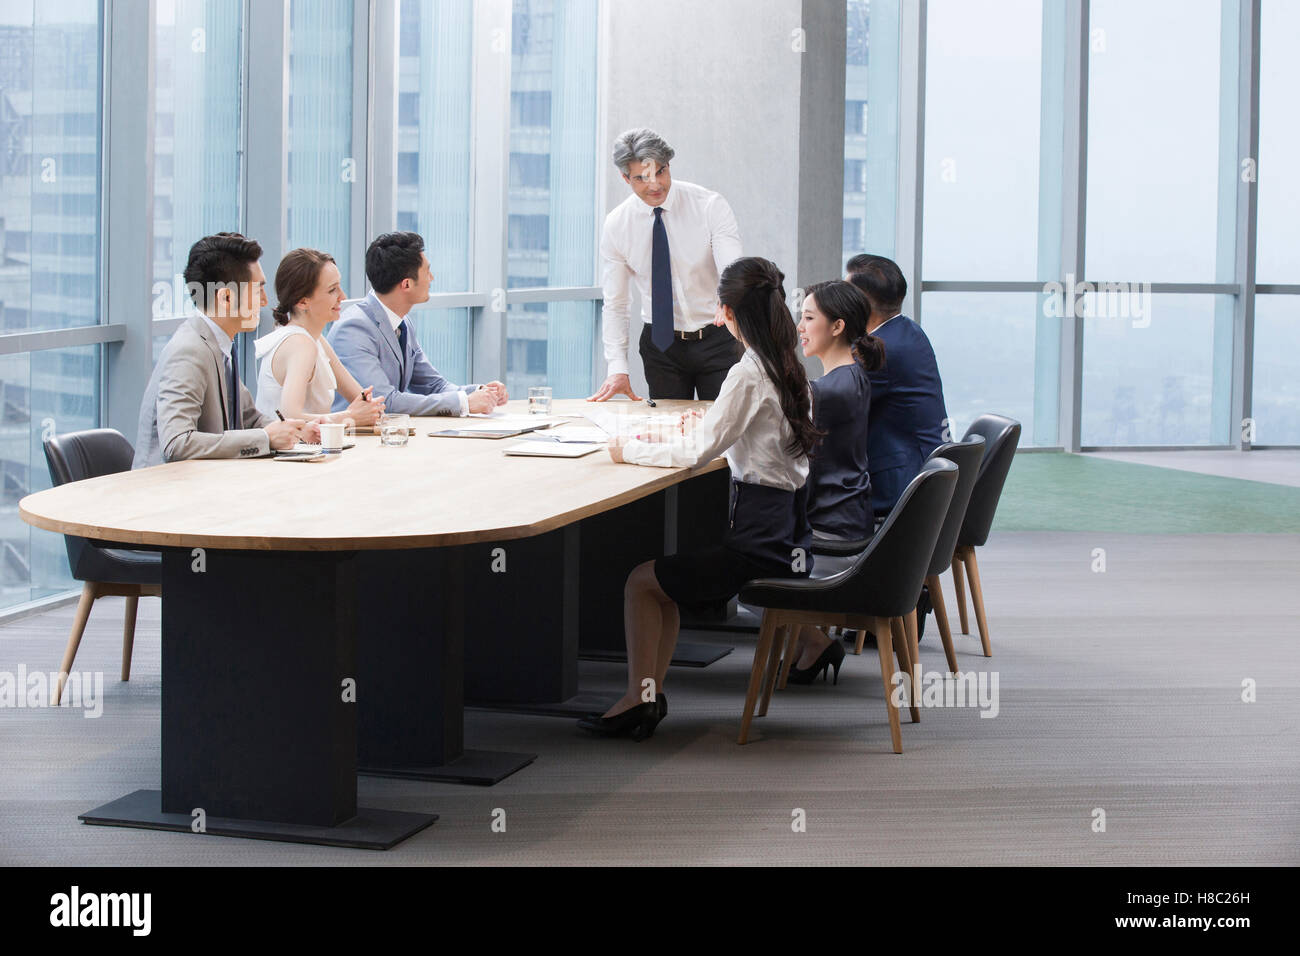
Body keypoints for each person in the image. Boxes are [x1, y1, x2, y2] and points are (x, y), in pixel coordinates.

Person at [577, 257, 820, 741]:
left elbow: (694, 455)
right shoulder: (787, 363)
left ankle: (639, 699)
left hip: (759, 544)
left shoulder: (748, 372)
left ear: (730, 313)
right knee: (658, 584)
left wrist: (629, 449)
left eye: (718, 308)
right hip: (790, 532)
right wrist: (714, 433)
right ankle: (643, 696)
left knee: (641, 583)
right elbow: (757, 446)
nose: (713, 317)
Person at [134, 232, 318, 469]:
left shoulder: (218, 344)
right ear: (227, 298)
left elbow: (250, 418)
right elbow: (176, 443)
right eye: (257, 290)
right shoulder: (190, 350)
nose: (264, 301)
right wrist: (265, 439)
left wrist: (297, 430)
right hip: (167, 493)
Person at [589, 128, 743, 403]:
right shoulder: (617, 225)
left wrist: (729, 299)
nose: (655, 185)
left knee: (726, 435)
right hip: (662, 347)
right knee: (668, 433)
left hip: (718, 337)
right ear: (625, 178)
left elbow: (733, 271)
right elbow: (616, 303)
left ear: (668, 166)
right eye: (641, 178)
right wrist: (617, 368)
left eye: (660, 172)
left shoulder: (708, 206)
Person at [784, 279, 886, 682]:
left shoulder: (825, 392)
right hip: (849, 517)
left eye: (809, 318)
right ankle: (806, 643)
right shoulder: (854, 377)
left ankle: (813, 641)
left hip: (831, 531)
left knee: (742, 570)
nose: (800, 327)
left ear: (838, 326)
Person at [330, 232, 507, 416]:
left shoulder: (403, 322)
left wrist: (481, 392)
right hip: (357, 439)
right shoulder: (353, 329)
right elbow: (385, 402)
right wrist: (464, 403)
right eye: (427, 272)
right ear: (406, 284)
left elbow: (432, 384)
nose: (432, 278)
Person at [845, 254, 948, 520]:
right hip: (927, 472)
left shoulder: (881, 350)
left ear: (861, 302)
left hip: (901, 488)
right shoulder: (909, 331)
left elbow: (834, 402)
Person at [254, 247, 387, 426]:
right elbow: (289, 416)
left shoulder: (314, 339)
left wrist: (368, 409)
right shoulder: (300, 344)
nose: (343, 296)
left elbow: (362, 399)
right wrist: (349, 417)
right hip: (291, 450)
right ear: (303, 302)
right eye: (332, 290)